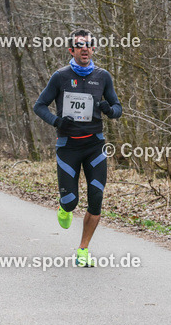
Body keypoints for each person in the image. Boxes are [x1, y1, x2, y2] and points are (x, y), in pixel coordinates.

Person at [33, 28, 122, 267]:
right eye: (80, 45)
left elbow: (117, 109)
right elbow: (39, 105)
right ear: (71, 50)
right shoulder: (60, 76)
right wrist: (57, 121)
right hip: (68, 147)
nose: (85, 48)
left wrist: (108, 109)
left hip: (95, 146)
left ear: (93, 49)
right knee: (72, 201)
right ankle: (65, 207)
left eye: (89, 44)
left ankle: (83, 250)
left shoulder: (103, 76)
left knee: (96, 197)